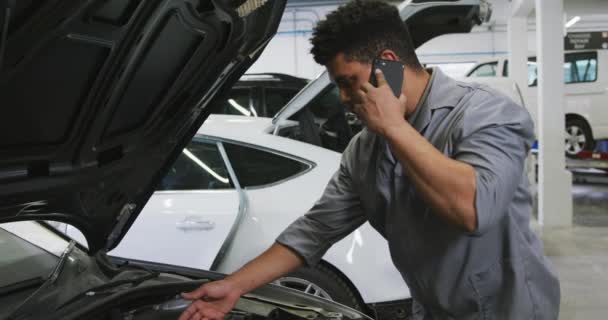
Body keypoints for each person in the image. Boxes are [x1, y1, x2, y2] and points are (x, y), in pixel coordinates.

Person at [179, 1, 560, 319]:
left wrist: (395, 127)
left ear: (388, 64)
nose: (344, 98)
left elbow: (474, 211)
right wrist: (234, 286)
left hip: (509, 310)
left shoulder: (485, 113)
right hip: (431, 309)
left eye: (348, 82)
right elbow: (313, 232)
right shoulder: (365, 150)